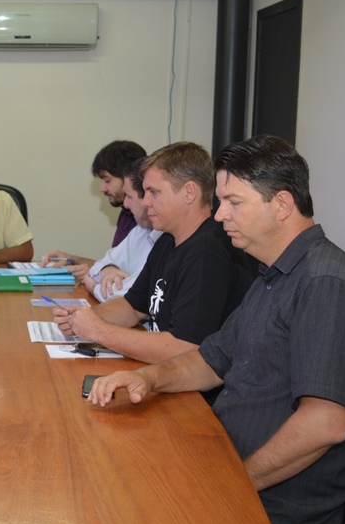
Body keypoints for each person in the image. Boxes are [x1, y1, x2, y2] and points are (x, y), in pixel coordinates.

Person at [88, 135, 345, 524]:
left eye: (233, 202)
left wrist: (235, 481)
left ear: (281, 205)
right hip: (226, 466)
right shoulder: (273, 276)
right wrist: (148, 378)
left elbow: (324, 425)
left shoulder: (327, 287)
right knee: (115, 496)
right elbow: (212, 359)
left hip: (278, 511)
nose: (221, 214)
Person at [53, 141, 253, 364]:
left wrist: (99, 332)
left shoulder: (208, 251)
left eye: (153, 192)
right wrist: (84, 318)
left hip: (198, 394)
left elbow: (184, 349)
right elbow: (132, 306)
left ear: (189, 192)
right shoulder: (168, 240)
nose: (145, 202)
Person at [41, 139, 146, 269]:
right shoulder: (126, 213)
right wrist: (74, 260)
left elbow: (134, 277)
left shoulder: (146, 220)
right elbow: (114, 267)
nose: (102, 189)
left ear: (128, 178)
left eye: (107, 180)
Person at [80, 157, 162, 302]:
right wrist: (108, 269)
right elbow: (99, 264)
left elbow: (123, 298)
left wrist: (91, 285)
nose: (125, 204)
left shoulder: (167, 239)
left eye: (129, 197)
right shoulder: (141, 230)